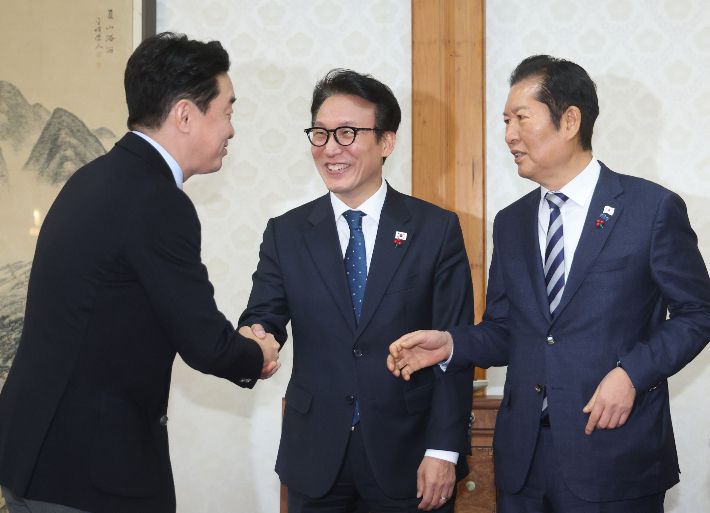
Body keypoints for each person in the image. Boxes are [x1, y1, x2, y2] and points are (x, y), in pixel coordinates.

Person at [388, 55, 710, 513]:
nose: (509, 135)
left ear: (570, 121)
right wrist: (451, 344)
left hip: (614, 455)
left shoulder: (650, 209)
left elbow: (698, 313)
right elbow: (506, 330)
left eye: (521, 118)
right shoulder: (512, 222)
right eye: (505, 121)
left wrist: (632, 374)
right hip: (524, 462)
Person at [0, 32, 280, 513]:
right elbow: (204, 342)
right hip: (89, 473)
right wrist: (257, 355)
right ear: (186, 115)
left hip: (31, 455)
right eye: (227, 111)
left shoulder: (92, 178)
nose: (231, 129)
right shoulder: (157, 200)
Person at [239, 69, 474, 512]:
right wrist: (255, 339)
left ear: (386, 141)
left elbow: (455, 346)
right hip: (315, 456)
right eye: (321, 133)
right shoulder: (286, 233)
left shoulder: (435, 230)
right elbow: (263, 316)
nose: (331, 148)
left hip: (409, 454)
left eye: (347, 133)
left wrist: (444, 450)